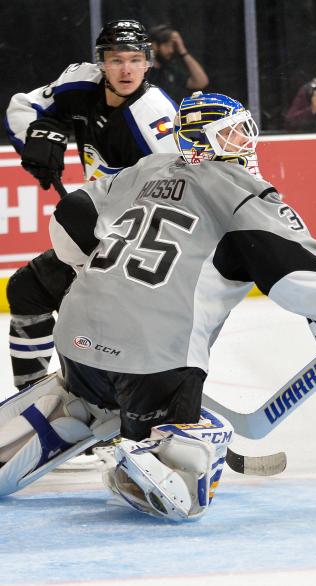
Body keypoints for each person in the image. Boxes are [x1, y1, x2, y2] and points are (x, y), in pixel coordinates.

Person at [0, 92, 316, 520]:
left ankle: (75, 409)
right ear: (208, 140)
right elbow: (297, 284)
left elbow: (69, 218)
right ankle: (170, 446)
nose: (246, 142)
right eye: (233, 133)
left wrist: (108, 270)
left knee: (94, 393)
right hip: (153, 359)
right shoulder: (244, 194)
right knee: (184, 495)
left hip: (75, 341)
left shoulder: (149, 167)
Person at [3, 19, 179, 391]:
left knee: (92, 326)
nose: (126, 69)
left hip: (137, 249)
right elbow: (25, 105)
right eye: (116, 60)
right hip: (97, 236)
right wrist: (37, 135)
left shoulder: (153, 115)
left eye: (135, 59)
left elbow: (184, 188)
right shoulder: (80, 83)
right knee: (27, 289)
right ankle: (33, 396)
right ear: (102, 62)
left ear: (149, 63)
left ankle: (113, 405)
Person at [147, 24, 209, 104]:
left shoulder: (170, 70)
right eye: (167, 45)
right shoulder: (143, 71)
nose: (171, 50)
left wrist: (183, 51)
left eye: (173, 46)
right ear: (154, 45)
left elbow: (201, 82)